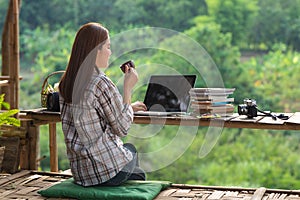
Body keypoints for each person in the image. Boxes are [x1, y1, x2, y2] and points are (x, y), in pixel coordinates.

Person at [59, 22, 147, 187]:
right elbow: (122, 128)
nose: (110, 52)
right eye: (107, 47)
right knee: (132, 154)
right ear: (95, 51)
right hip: (104, 171)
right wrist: (128, 88)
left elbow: (93, 113)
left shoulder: (66, 82)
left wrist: (128, 107)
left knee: (131, 160)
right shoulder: (100, 82)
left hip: (81, 173)